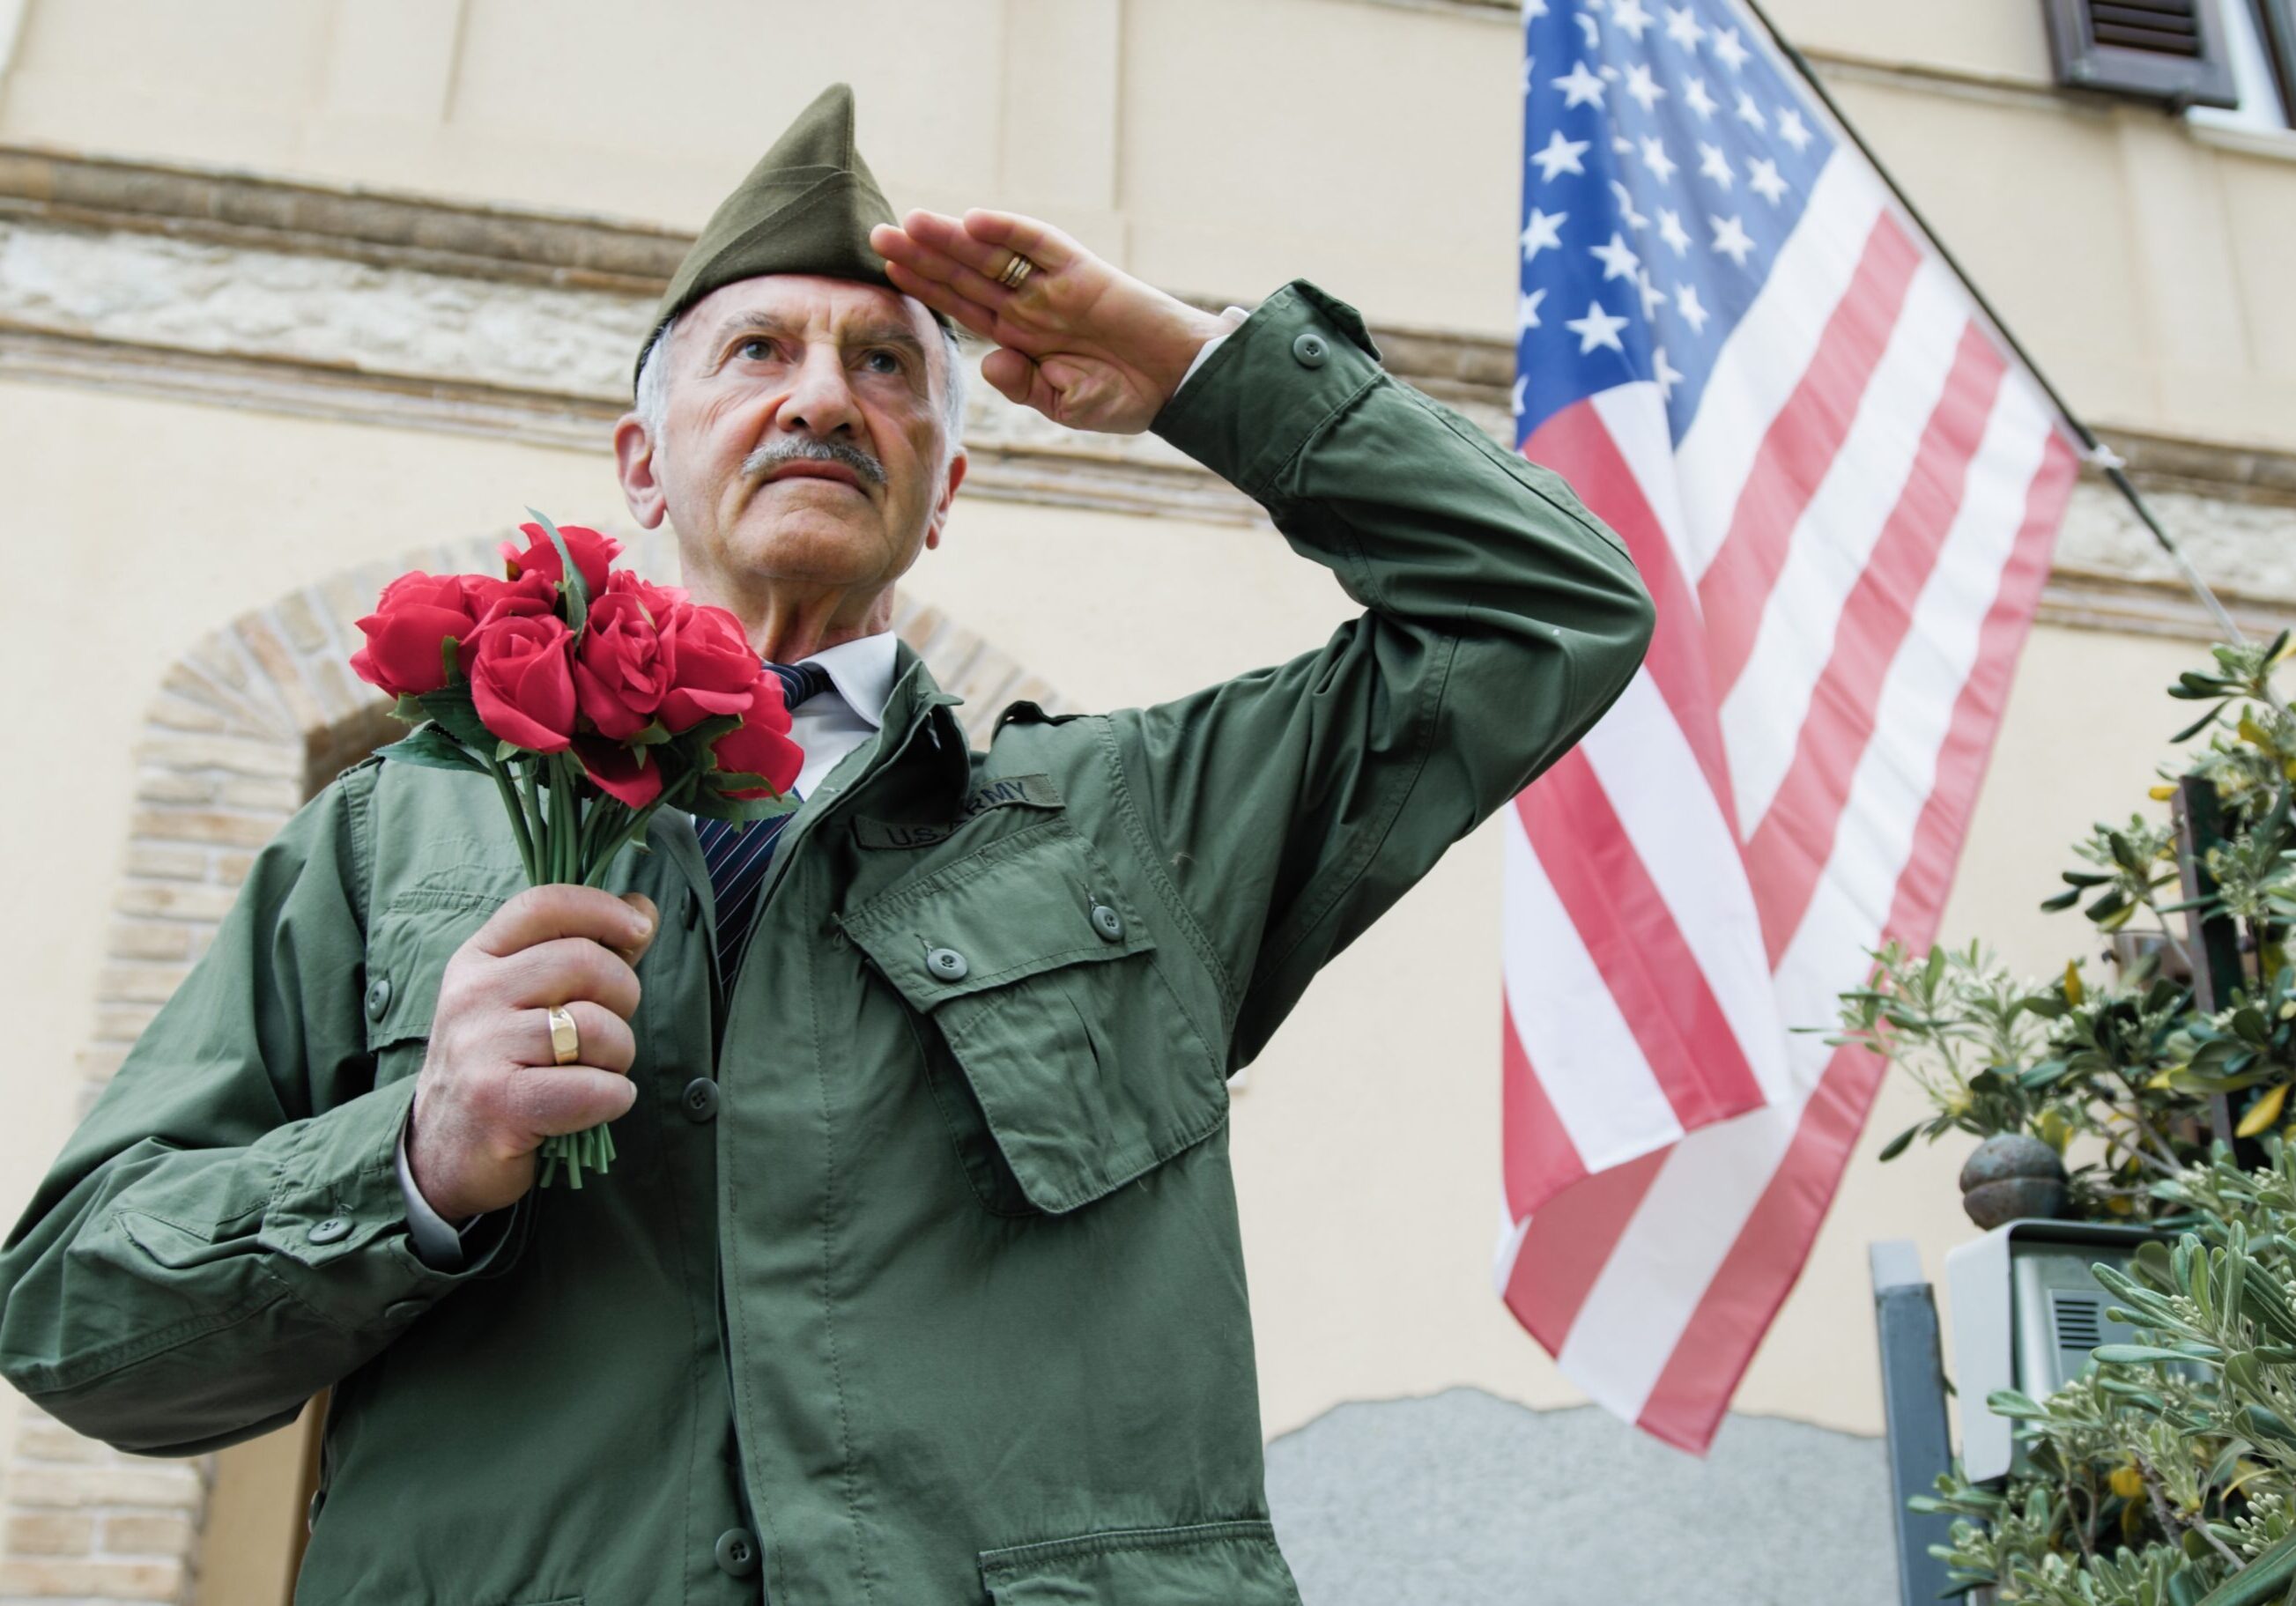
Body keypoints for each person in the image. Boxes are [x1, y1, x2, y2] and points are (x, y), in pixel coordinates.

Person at [0, 84, 1654, 1602]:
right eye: (757, 354)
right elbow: (77, 1322)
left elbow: (1548, 612)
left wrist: (1195, 365)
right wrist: (414, 1161)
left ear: (944, 491)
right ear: (644, 464)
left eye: (884, 366)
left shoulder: (1139, 823)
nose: (822, 399)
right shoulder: (381, 839)